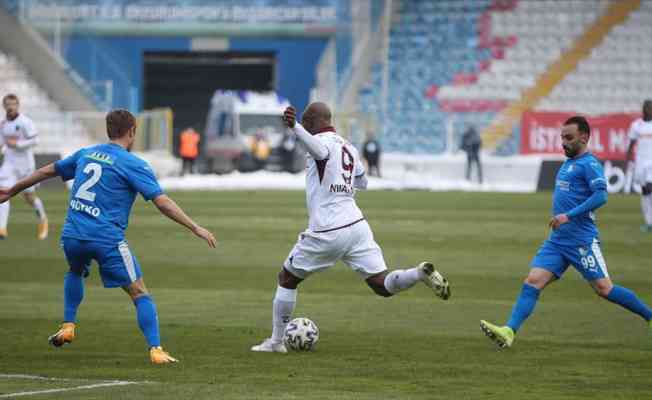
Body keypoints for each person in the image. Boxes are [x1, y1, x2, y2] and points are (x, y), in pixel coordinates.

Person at [0, 109, 217, 364]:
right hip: (106, 238)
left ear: (108, 130)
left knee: (75, 270)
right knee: (139, 293)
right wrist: (195, 227)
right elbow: (162, 202)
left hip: (72, 234)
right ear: (132, 131)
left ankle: (68, 325)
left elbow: (48, 171)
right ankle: (156, 349)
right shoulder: (134, 164)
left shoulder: (86, 153)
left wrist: (13, 189)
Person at [250, 103, 451, 353]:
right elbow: (363, 181)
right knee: (381, 284)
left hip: (327, 229)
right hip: (356, 225)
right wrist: (341, 184)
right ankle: (418, 273)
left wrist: (295, 127)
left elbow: (320, 152)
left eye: (306, 121)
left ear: (312, 121)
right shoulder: (349, 146)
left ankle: (277, 342)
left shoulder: (320, 142)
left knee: (287, 278)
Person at [480, 116, 652, 348]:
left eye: (569, 138)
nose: (564, 142)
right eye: (562, 137)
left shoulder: (590, 164)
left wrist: (568, 216)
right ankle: (509, 331)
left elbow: (601, 196)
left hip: (581, 240)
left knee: (604, 289)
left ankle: (649, 316)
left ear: (584, 137)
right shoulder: (568, 162)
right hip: (558, 241)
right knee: (532, 281)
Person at [0, 94, 48, 240]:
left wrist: (19, 144)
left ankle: (43, 220)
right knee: (3, 192)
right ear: (4, 106)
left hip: (26, 165)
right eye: (8, 104)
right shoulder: (2, 124)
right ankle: (2, 229)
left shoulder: (25, 122)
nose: (10, 107)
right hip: (9, 164)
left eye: (13, 104)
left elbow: (35, 140)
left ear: (18, 105)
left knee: (29, 196)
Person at [626, 99, 652, 232]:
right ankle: (649, 222)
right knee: (645, 191)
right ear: (643, 109)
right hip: (641, 162)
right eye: (647, 107)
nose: (649, 109)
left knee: (649, 186)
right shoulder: (636, 125)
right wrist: (628, 159)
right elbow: (631, 143)